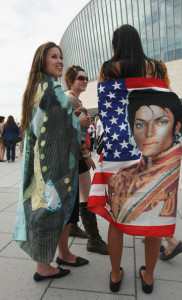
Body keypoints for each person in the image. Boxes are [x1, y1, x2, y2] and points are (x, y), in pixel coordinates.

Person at [87, 25, 182, 294]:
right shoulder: (153, 67)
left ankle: (116, 274)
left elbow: (107, 113)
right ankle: (149, 276)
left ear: (115, 43)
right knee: (153, 218)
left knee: (116, 219)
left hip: (119, 153)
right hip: (151, 151)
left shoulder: (107, 69)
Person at [13, 42, 90, 282]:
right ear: (42, 61)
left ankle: (63, 253)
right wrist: (80, 124)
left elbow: (49, 122)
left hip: (43, 160)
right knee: (49, 209)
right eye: (53, 56)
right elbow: (57, 126)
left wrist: (72, 119)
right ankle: (43, 267)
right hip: (53, 164)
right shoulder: (50, 89)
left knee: (54, 209)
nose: (59, 60)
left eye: (61, 56)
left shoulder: (39, 87)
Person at [65, 65, 108, 255]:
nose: (84, 80)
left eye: (85, 78)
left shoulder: (76, 99)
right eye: (80, 78)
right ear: (70, 81)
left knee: (78, 193)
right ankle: (94, 239)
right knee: (86, 194)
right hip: (75, 153)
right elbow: (74, 131)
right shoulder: (70, 99)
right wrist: (86, 155)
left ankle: (73, 226)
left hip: (74, 153)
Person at [156, 59, 182, 260]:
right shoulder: (172, 95)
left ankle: (171, 241)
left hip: (159, 156)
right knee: (163, 197)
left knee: (155, 197)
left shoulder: (155, 96)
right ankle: (155, 235)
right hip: (172, 156)